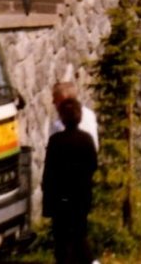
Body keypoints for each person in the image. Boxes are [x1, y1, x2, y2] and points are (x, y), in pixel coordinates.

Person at [42, 98, 98, 264]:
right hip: (81, 195)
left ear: (62, 118)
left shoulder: (56, 141)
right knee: (80, 233)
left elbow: (49, 172)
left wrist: (48, 198)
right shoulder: (86, 139)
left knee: (61, 239)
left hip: (61, 198)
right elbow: (93, 165)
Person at [48, 81, 99, 150]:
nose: (53, 102)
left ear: (63, 99)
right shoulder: (90, 114)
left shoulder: (59, 125)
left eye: (55, 98)